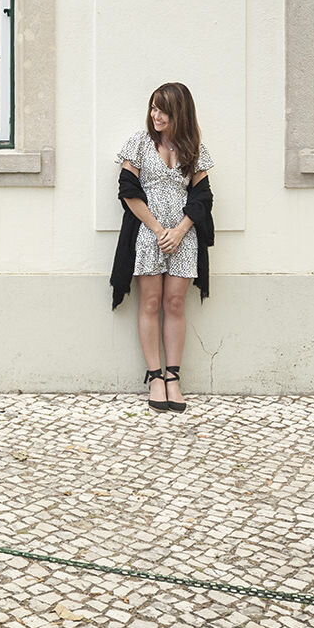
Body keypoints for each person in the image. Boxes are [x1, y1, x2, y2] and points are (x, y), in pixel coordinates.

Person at [109, 83, 214, 414]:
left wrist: (180, 230)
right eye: (153, 108)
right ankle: (154, 376)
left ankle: (173, 378)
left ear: (179, 113)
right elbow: (127, 190)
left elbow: (203, 197)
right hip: (148, 234)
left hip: (183, 236)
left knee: (175, 303)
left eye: (163, 110)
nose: (156, 115)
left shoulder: (193, 148)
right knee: (151, 301)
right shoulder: (139, 143)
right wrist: (158, 229)